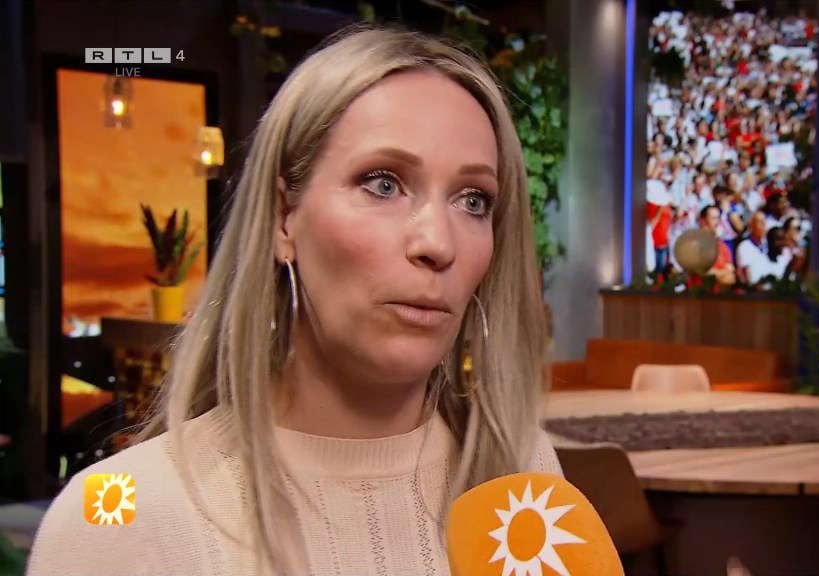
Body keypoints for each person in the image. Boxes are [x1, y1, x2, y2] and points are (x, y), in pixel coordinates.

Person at [28, 26, 561, 576]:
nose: (438, 243)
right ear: (284, 217)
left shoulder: (522, 478)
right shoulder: (118, 515)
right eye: (383, 184)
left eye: (473, 200)